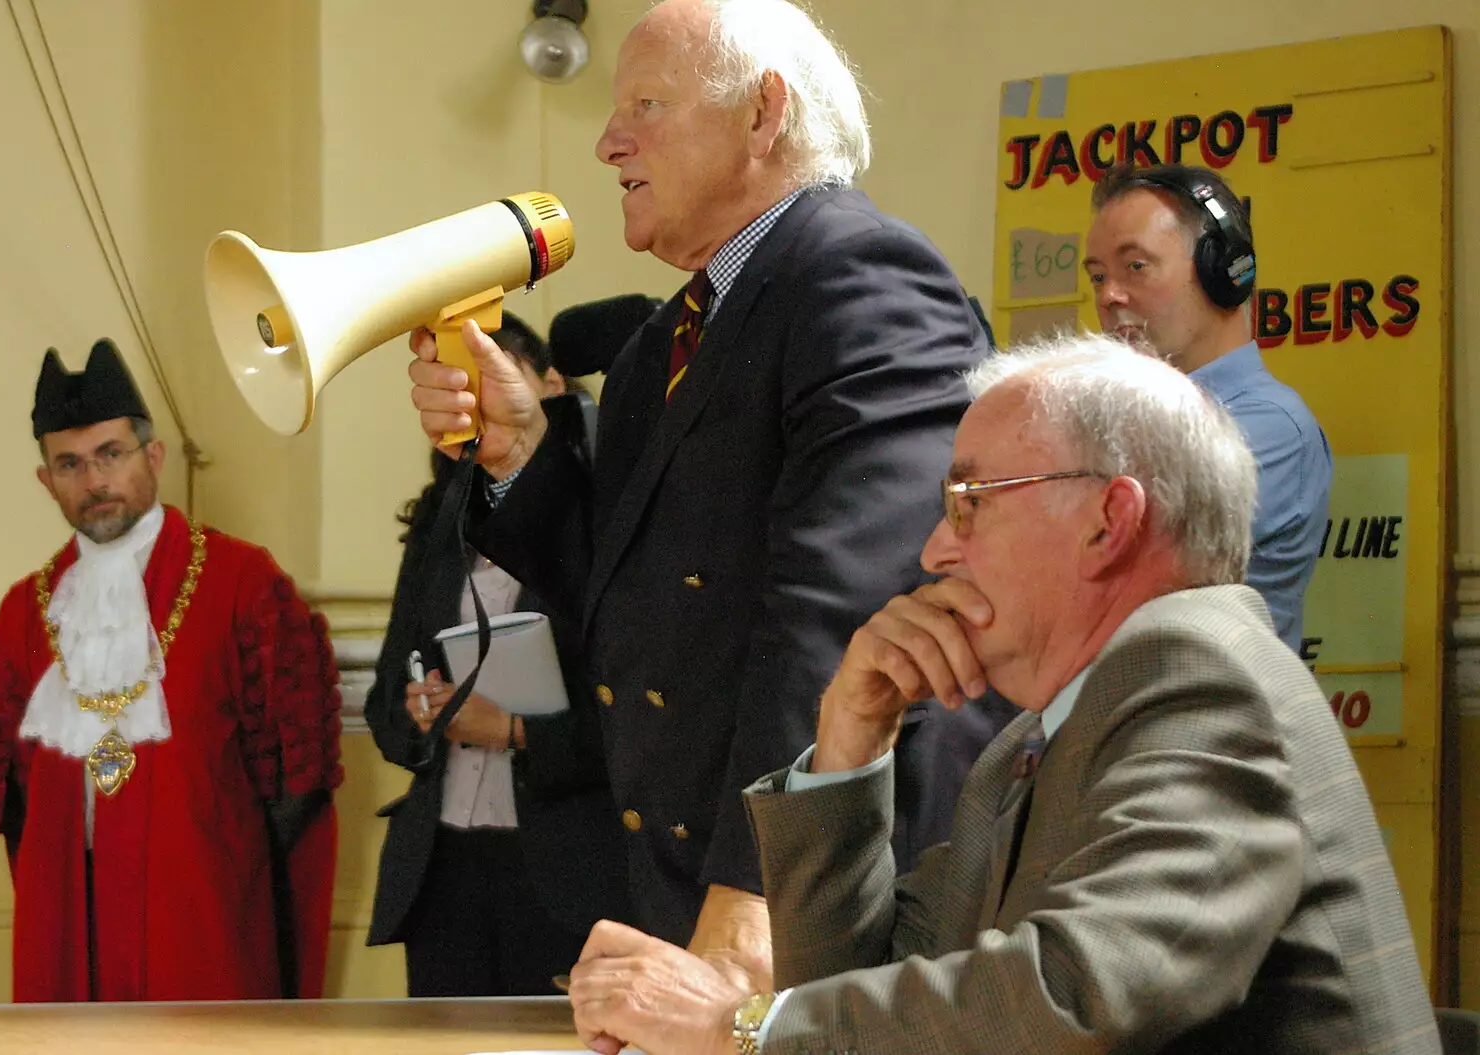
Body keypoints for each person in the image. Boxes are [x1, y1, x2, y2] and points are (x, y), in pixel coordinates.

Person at [565, 334, 1438, 1055]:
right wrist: (847, 740)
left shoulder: (1201, 670)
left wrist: (737, 1026)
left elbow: (1081, 988)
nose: (937, 548)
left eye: (970, 500)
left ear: (1111, 518)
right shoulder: (1052, 726)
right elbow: (851, 989)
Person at [406, 0, 1010, 985]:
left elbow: (841, 610)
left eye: (646, 103)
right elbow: (622, 600)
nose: (607, 143)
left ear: (764, 113)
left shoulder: (861, 276)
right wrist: (518, 448)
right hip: (685, 892)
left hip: (824, 916)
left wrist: (754, 893)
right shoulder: (667, 342)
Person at [0, 339, 343, 1002]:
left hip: (202, 927)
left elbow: (294, 786)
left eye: (110, 454)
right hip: (69, 927)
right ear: (46, 479)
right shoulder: (22, 612)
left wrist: (216, 871)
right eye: (70, 464)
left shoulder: (243, 582)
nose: (94, 482)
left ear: (153, 455)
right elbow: (21, 807)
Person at [364, 314, 630, 995]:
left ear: (547, 383)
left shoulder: (601, 518)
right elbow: (387, 693)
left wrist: (515, 730)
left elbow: (637, 710)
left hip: (563, 865)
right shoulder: (438, 520)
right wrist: (417, 710)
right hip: (443, 855)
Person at [1083, 163, 1332, 652]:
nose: (1109, 295)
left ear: (1224, 271)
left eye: (1135, 266)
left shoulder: (1269, 429)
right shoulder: (1112, 419)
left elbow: (1104, 584)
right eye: (1097, 277)